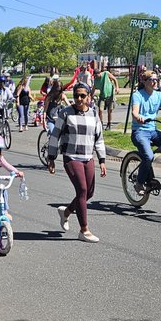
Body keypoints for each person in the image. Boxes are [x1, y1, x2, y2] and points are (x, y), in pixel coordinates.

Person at [46, 82, 107, 243]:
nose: (79, 99)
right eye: (76, 96)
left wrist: (102, 160)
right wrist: (51, 158)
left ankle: (66, 212)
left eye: (82, 95)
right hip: (71, 156)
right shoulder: (66, 113)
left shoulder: (94, 114)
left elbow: (99, 138)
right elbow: (55, 136)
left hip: (88, 157)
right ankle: (84, 230)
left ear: (89, 96)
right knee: (82, 190)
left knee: (89, 193)